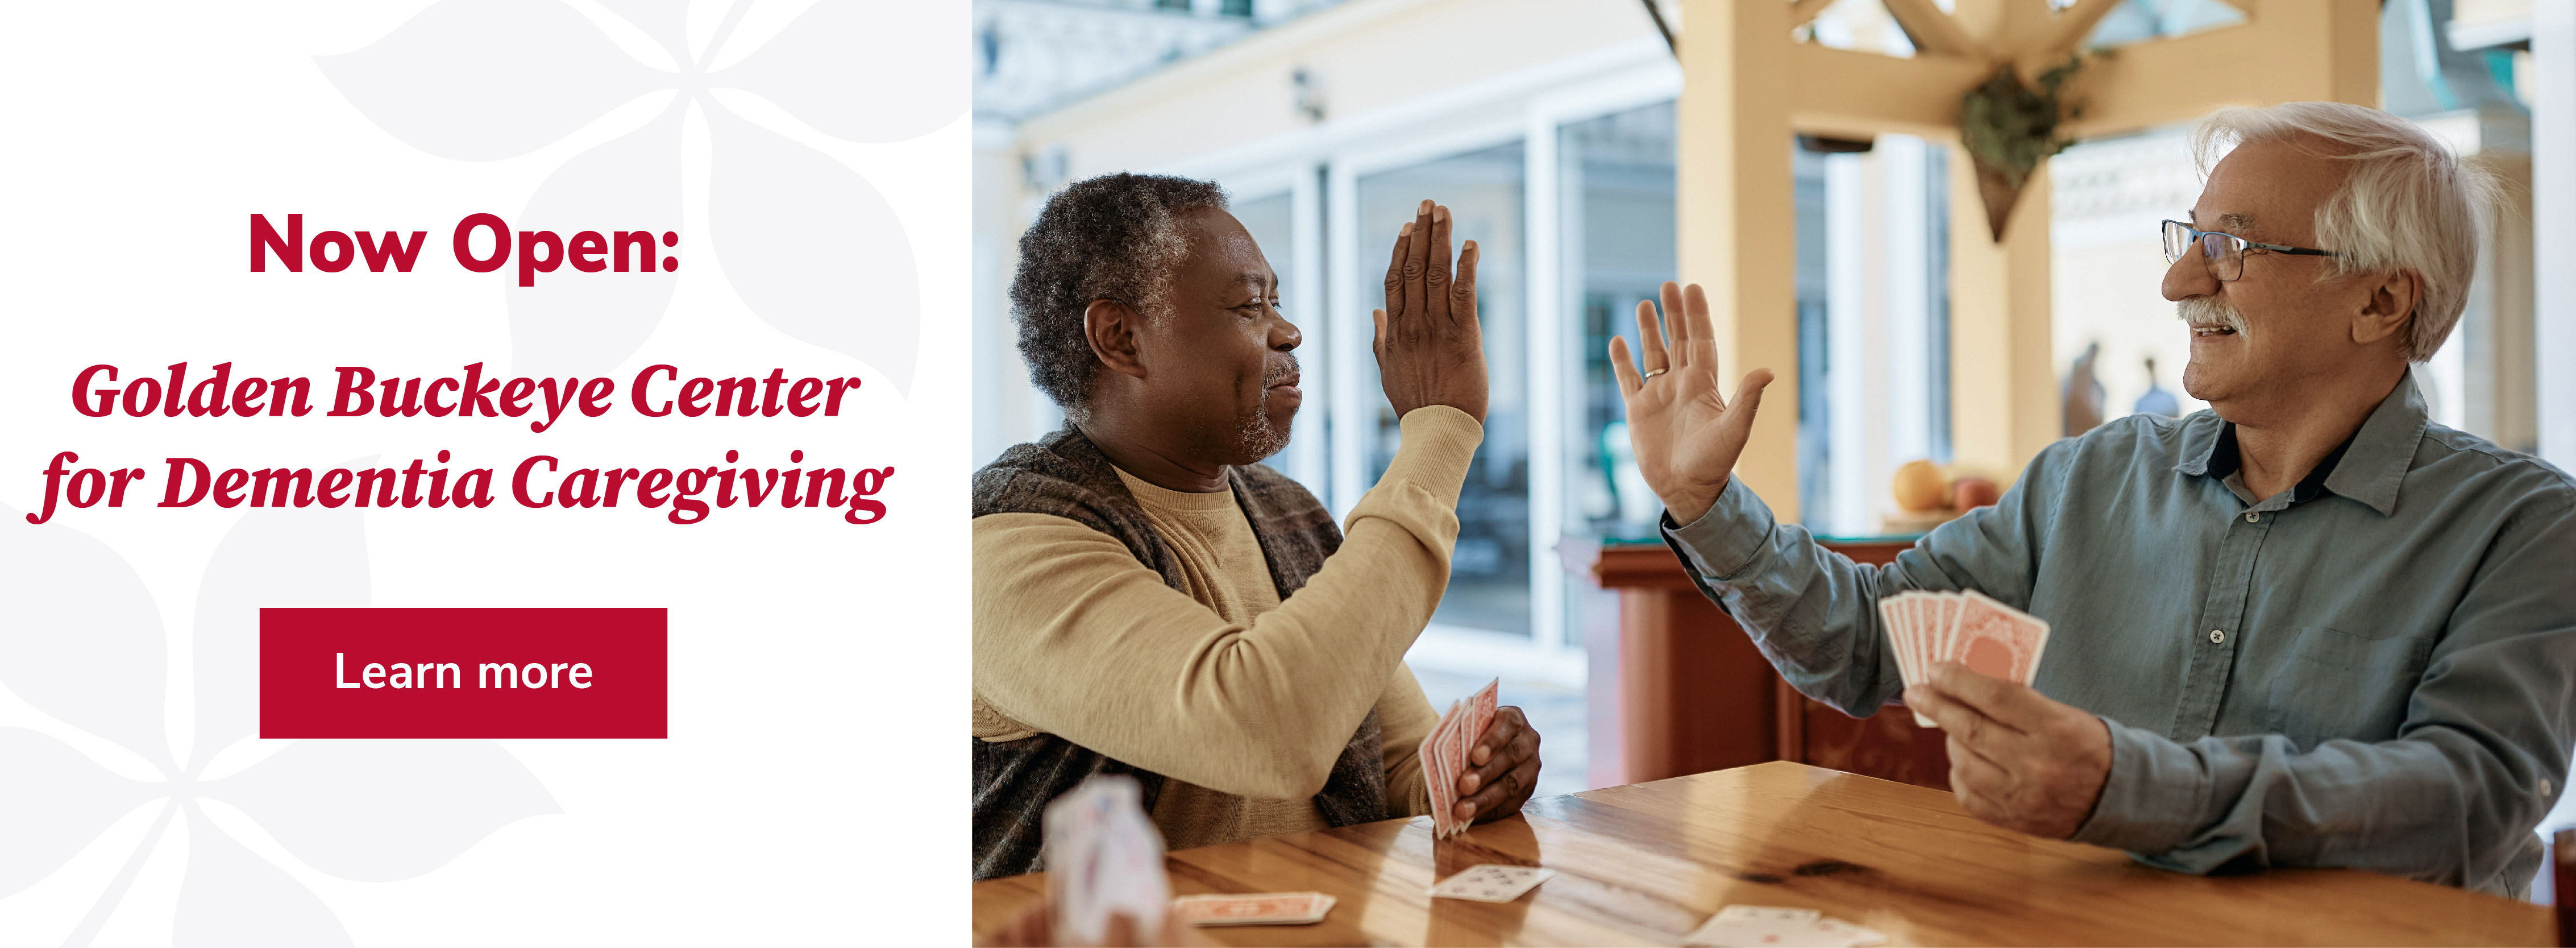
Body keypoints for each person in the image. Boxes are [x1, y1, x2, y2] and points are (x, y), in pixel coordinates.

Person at [1609, 102, 2573, 896]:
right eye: (2190, 237)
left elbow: (2467, 796)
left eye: (2231, 245)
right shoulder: (2093, 477)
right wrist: (1706, 500)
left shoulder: (2526, 527)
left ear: (2381, 303)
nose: (2177, 280)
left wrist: (2127, 783)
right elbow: (1867, 645)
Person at [971, 175, 1543, 880]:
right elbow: (1273, 730)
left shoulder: (1288, 511)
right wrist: (1440, 433)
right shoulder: (1006, 545)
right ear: (1120, 338)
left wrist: (1470, 774)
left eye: (1276, 299)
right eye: (1247, 305)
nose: (1288, 331)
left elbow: (1393, 760)